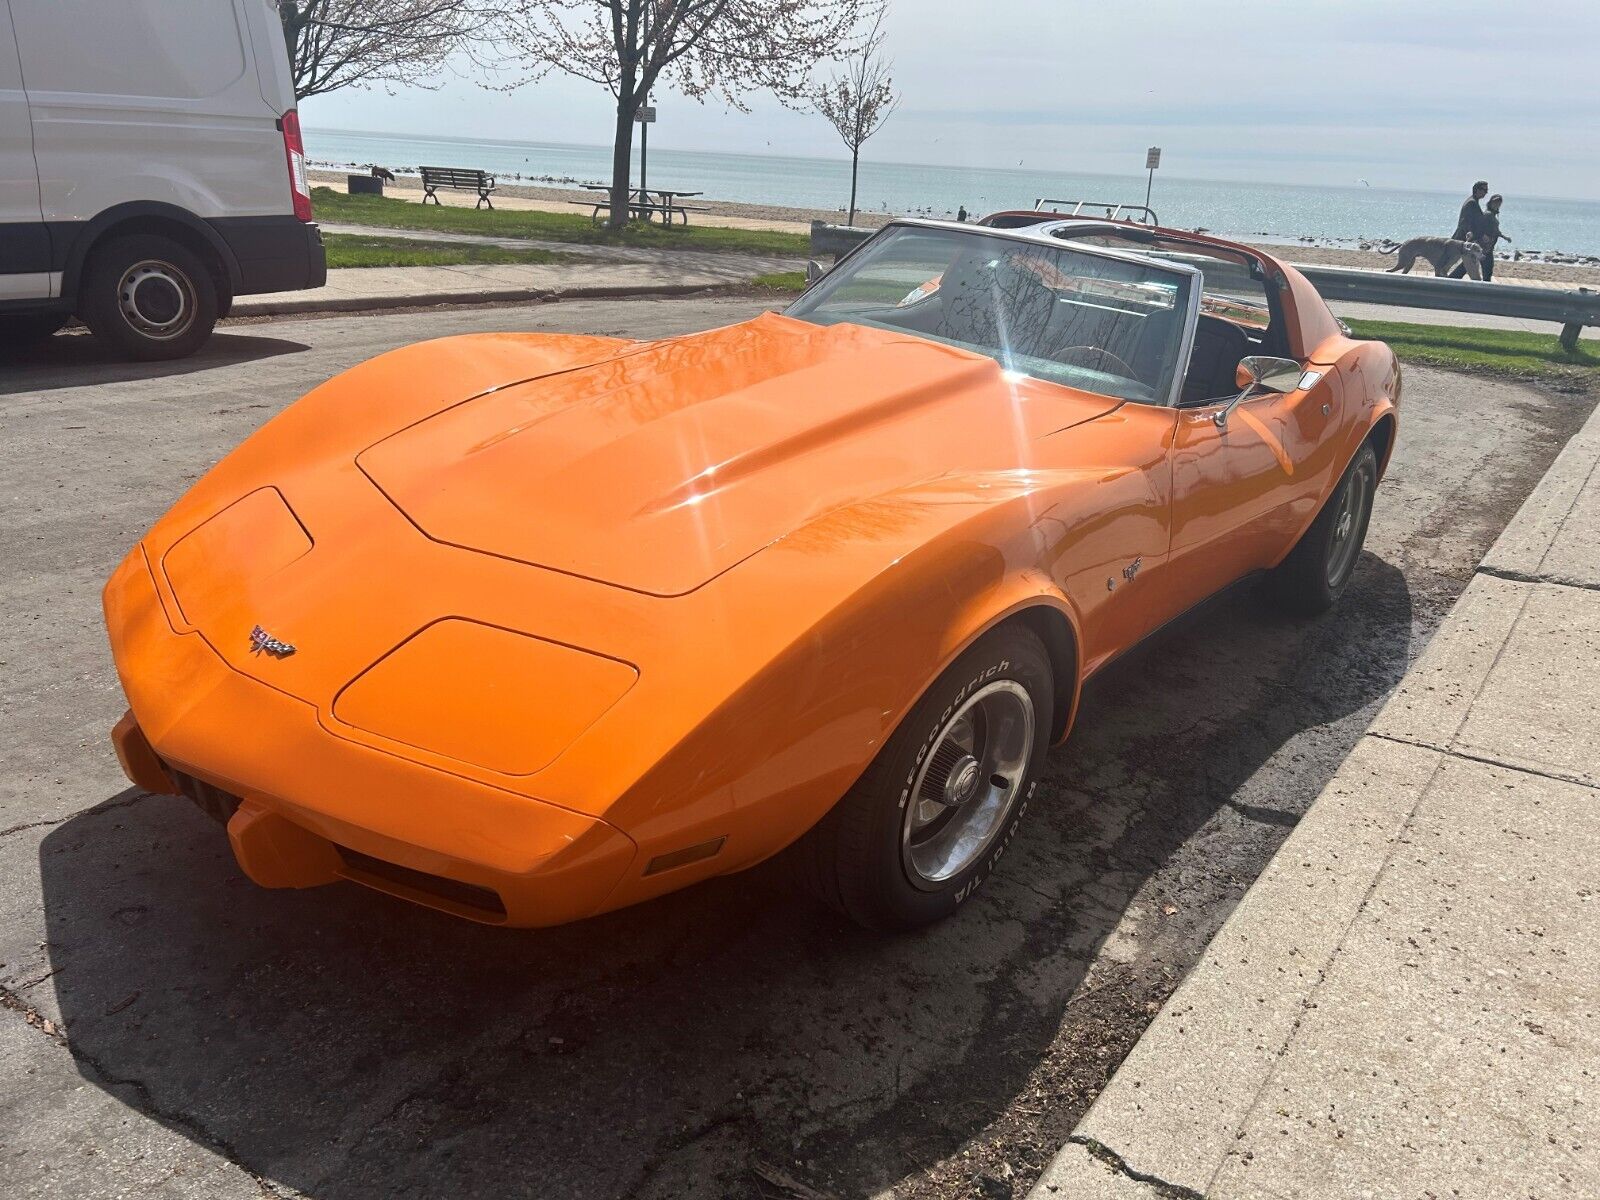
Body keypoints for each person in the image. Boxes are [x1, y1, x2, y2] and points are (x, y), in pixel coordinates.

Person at [1449, 181, 1489, 277]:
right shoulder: (1471, 203)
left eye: (1487, 190)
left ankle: (1452, 278)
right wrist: (1470, 234)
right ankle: (1451, 279)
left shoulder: (1474, 202)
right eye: (1484, 190)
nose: (1486, 193)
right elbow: (1466, 220)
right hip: (1465, 239)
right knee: (1460, 262)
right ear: (1477, 190)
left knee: (1465, 263)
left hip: (1466, 239)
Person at [1476, 194, 1512, 282]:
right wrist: (1483, 236)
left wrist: (1504, 237)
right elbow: (1479, 227)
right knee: (1487, 268)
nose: (1497, 205)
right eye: (1495, 203)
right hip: (1485, 247)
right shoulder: (1488, 214)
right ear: (1491, 203)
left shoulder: (1492, 214)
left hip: (1489, 247)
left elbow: (1495, 230)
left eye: (1499, 204)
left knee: (1486, 268)